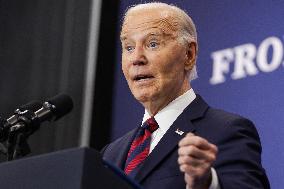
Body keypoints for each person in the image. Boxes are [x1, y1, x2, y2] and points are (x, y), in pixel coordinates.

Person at [102, 2, 270, 189]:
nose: (136, 59)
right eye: (129, 47)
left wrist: (207, 183)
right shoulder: (110, 154)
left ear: (189, 55)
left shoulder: (226, 130)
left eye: (152, 44)